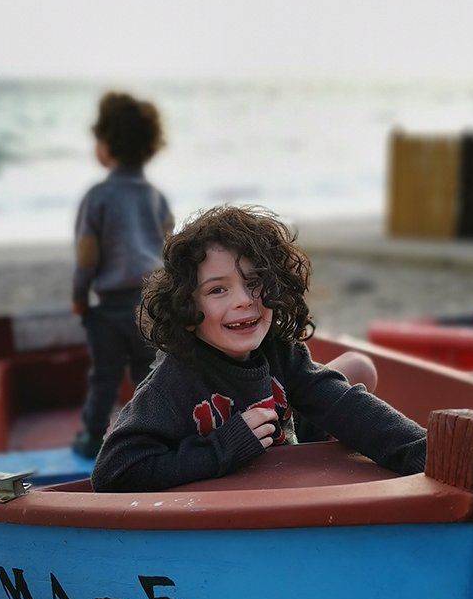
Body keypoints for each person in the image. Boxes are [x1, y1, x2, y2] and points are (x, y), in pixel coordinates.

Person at [91, 205, 427, 492]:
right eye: (218, 290)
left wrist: (426, 453)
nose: (243, 301)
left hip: (286, 456)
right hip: (226, 488)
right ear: (186, 310)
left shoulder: (279, 352)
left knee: (354, 375)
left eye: (254, 284)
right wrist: (223, 447)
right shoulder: (171, 384)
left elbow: (342, 402)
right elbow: (112, 472)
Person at [71, 91, 174, 458]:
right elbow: (170, 248)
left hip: (111, 308)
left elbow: (87, 254)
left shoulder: (98, 196)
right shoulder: (156, 196)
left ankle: (91, 440)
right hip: (152, 303)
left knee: (104, 378)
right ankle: (156, 433)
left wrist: (80, 295)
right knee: (152, 376)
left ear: (107, 145)